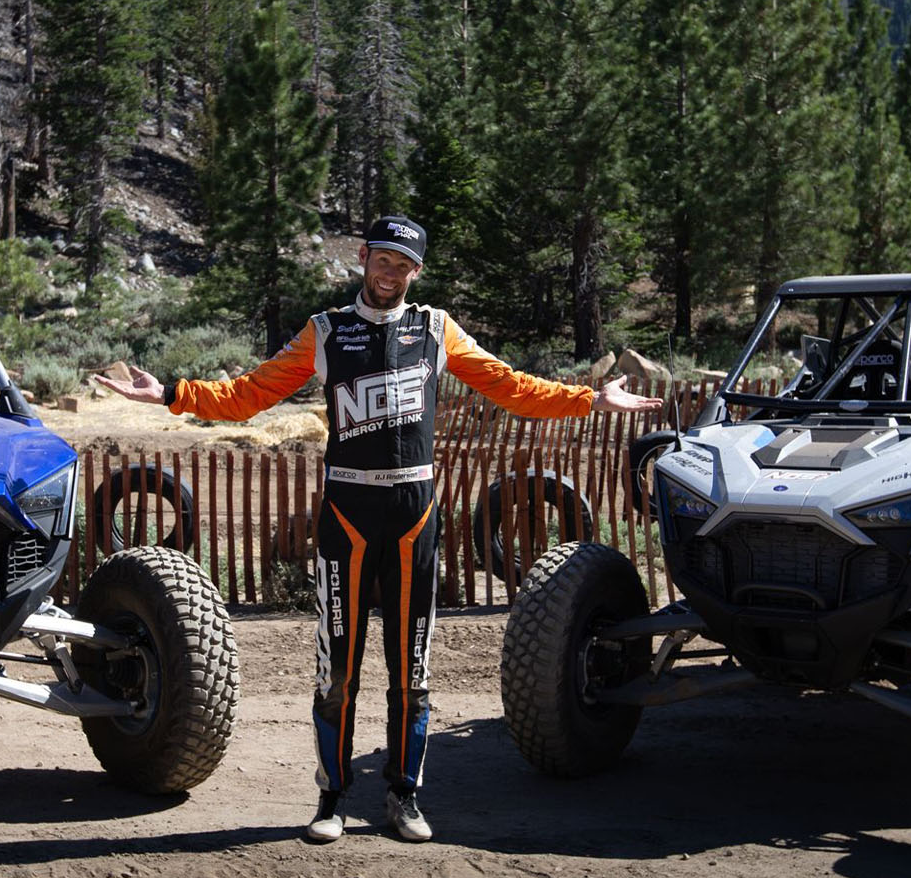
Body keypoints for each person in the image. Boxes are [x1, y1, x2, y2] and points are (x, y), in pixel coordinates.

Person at [93, 216, 660, 844]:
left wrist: (590, 400)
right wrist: (173, 391)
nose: (390, 273)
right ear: (363, 258)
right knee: (337, 667)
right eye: (382, 260)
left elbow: (511, 387)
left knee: (411, 671)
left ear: (416, 272)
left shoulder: (436, 329)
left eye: (403, 265)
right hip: (347, 518)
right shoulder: (326, 331)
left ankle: (403, 795)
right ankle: (332, 798)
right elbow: (250, 394)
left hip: (415, 516)